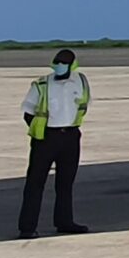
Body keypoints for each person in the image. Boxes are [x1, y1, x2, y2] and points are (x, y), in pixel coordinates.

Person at [17, 47, 91, 237]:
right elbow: (28, 112)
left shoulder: (81, 82)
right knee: (35, 183)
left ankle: (65, 221)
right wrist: (39, 132)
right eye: (57, 62)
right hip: (46, 138)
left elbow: (84, 106)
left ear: (72, 65)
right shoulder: (41, 85)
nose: (59, 65)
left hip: (71, 137)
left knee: (65, 183)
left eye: (64, 62)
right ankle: (27, 227)